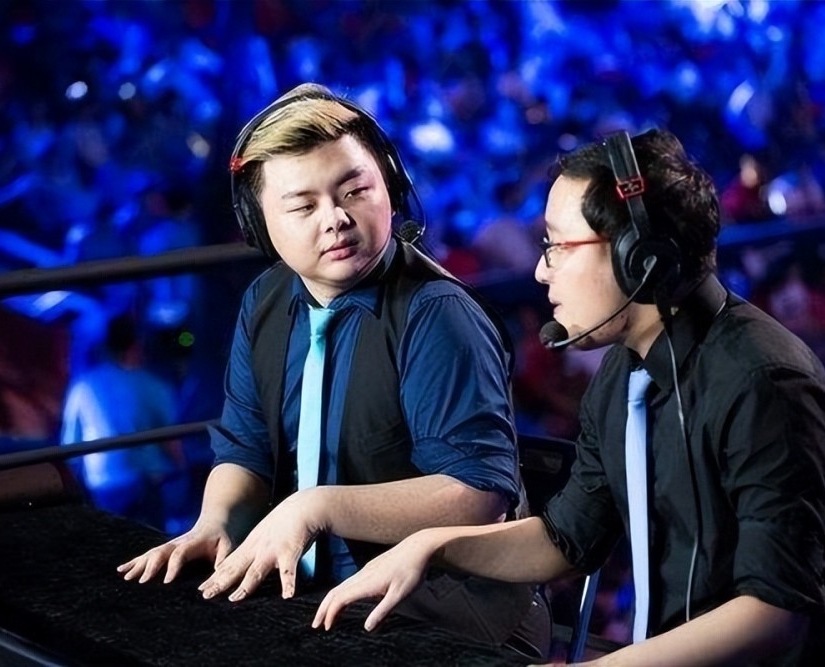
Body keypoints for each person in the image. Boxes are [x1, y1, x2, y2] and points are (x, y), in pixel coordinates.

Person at [314, 129, 825, 666]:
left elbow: (774, 610)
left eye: (556, 246)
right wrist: (432, 546)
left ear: (639, 257)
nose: (540, 270)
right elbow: (567, 539)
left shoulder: (765, 382)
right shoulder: (625, 375)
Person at [116, 83, 550, 659]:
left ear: (391, 188)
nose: (337, 219)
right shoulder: (266, 300)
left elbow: (476, 493)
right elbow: (245, 447)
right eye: (304, 206)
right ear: (259, 224)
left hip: (440, 611)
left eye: (355, 190)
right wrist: (215, 522)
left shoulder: (438, 314)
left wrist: (316, 507)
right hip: (313, 597)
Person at [61, 313, 188, 532]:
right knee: (152, 538)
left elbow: (71, 445)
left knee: (113, 538)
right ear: (137, 347)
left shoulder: (83, 386)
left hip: (102, 481)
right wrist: (182, 468)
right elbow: (171, 439)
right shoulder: (153, 385)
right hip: (146, 480)